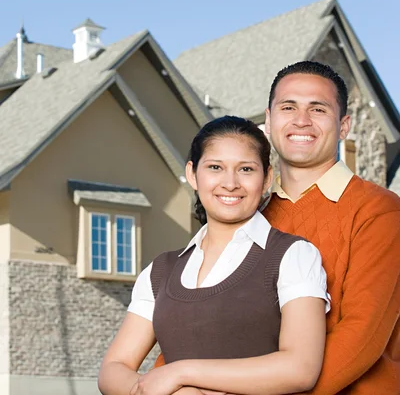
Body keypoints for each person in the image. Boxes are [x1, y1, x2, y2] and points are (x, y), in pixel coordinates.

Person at [98, 115, 330, 395]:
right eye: (215, 167)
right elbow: (114, 367)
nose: (230, 183)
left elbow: (300, 369)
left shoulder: (293, 255)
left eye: (246, 169)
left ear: (267, 177)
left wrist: (181, 373)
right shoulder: (161, 271)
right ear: (192, 174)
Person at [263, 61, 400, 394]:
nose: (301, 120)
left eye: (318, 109)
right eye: (288, 106)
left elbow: (361, 337)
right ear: (268, 121)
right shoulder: (251, 218)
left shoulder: (380, 211)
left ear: (343, 126)